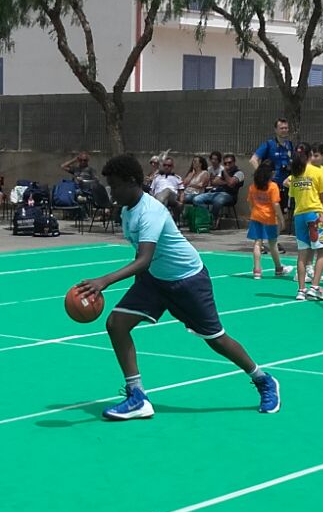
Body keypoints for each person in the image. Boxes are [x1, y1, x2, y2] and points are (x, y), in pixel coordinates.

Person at [74, 154, 281, 421]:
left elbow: (143, 258)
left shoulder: (150, 212)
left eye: (115, 185)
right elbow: (145, 259)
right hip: (154, 279)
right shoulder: (127, 211)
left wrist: (103, 281)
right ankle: (137, 396)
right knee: (116, 324)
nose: (112, 192)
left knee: (216, 339)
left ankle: (263, 379)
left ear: (133, 182)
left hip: (188, 280)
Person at [285, 147, 323, 301]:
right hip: (315, 213)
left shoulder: (295, 176)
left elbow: (292, 195)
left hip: (299, 215)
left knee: (302, 253)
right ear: (309, 156)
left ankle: (301, 290)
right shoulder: (317, 172)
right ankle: (315, 287)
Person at [245, 165, 285, 279]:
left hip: (256, 216)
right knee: (273, 244)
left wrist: (253, 212)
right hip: (269, 218)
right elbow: (275, 204)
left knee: (258, 243)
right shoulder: (273, 187)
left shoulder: (253, 187)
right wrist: (281, 218)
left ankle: (257, 270)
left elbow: (250, 202)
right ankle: (278, 268)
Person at [253, 118, 295, 218]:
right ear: (275, 130)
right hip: (272, 184)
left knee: (283, 210)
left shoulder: (290, 145)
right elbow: (253, 160)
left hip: (285, 184)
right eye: (281, 128)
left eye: (286, 128)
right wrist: (263, 176)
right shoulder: (269, 144)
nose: (284, 130)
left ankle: (280, 228)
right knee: (271, 210)